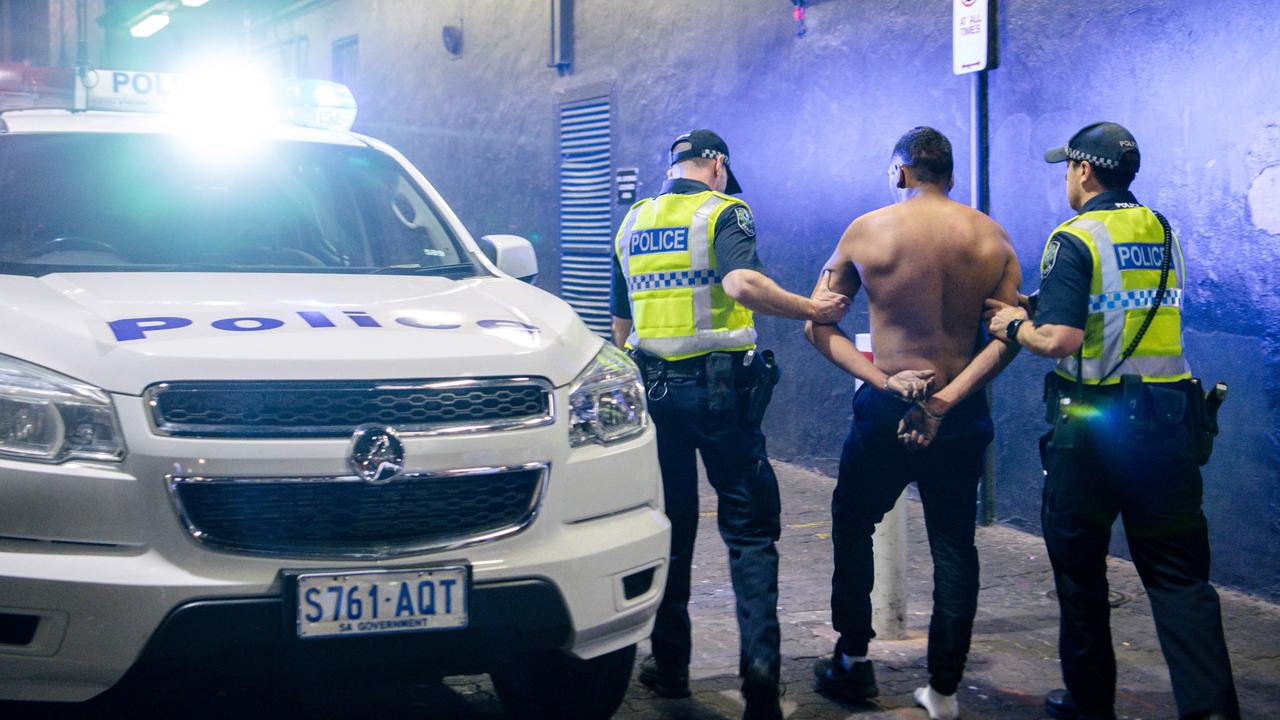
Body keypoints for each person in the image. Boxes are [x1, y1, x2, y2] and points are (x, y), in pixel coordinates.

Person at [986, 122, 1239, 720]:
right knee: (1180, 579)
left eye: (1066, 169)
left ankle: (1090, 702)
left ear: (1083, 170)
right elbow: (1120, 304)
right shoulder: (1162, 229)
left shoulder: (1073, 236)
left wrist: (1015, 325)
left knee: (1081, 574)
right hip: (1171, 424)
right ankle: (1211, 711)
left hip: (1096, 430)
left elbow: (1062, 338)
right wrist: (1044, 303)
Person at [610, 129, 849, 720]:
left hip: (654, 394)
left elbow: (620, 324)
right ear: (716, 165)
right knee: (748, 533)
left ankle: (669, 669)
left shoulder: (633, 221)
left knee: (671, 528)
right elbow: (741, 284)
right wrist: (811, 308)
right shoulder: (725, 211)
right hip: (721, 398)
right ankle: (761, 684)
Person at [805, 127, 1021, 720]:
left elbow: (817, 326)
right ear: (949, 175)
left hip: (887, 408)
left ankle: (851, 660)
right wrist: (945, 402)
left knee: (852, 522)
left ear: (901, 173)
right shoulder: (991, 237)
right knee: (955, 544)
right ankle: (944, 690)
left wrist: (885, 382)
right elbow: (1010, 339)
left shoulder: (868, 231)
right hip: (960, 411)